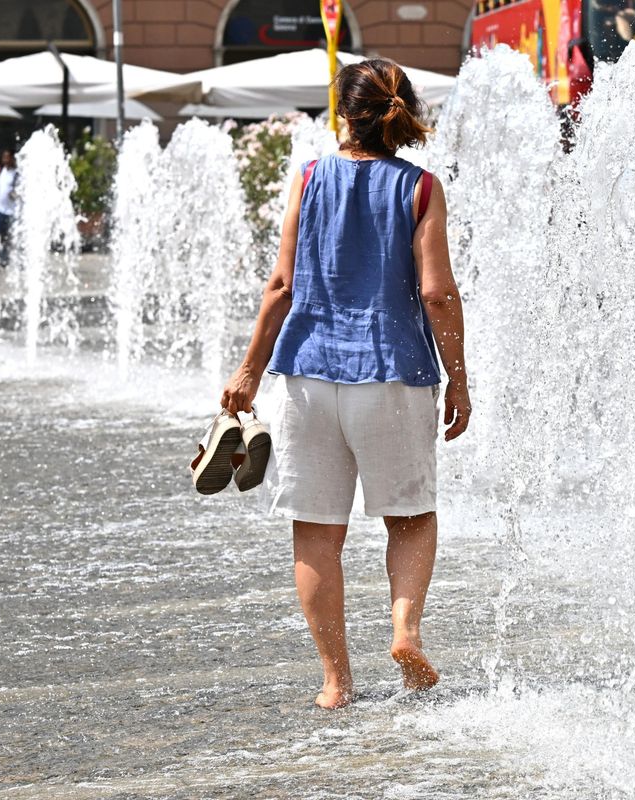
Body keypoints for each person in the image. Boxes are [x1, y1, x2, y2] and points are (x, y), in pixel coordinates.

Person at [220, 59, 471, 709]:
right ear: (403, 113)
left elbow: (280, 286)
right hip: (390, 375)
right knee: (410, 518)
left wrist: (249, 371)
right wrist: (459, 382)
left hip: (307, 376)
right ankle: (405, 632)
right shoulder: (419, 188)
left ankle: (335, 682)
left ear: (344, 115)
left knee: (315, 530)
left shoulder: (308, 179)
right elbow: (437, 294)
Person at [0, 150, 17, 266]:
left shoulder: (16, 174)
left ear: (12, 159)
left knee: (8, 237)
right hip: (0, 209)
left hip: (11, 211)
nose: (5, 160)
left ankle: (5, 260)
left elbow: (21, 190)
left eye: (7, 158)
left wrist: (15, 194)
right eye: (3, 157)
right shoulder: (3, 171)